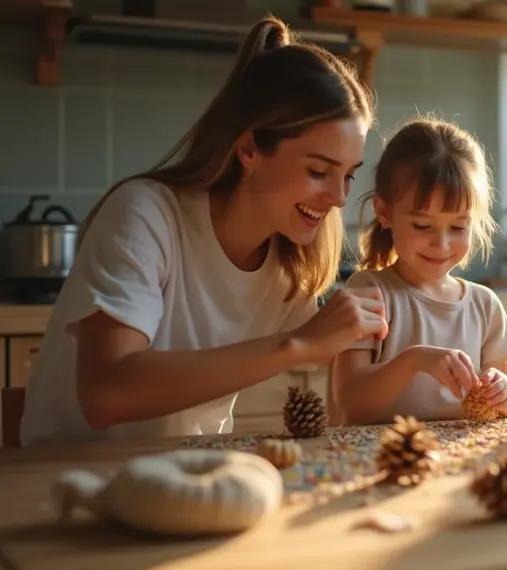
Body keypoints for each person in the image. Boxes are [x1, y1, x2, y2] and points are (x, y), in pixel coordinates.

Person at [19, 16, 388, 446]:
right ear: (249, 149)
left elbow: (349, 370)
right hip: (67, 473)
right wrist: (298, 345)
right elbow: (106, 394)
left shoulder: (289, 262)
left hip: (190, 469)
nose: (339, 198)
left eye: (348, 175)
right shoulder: (145, 214)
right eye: (318, 171)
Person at [331, 117, 507, 425]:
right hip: (380, 453)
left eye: (459, 227)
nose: (442, 243)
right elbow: (351, 405)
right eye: (423, 225)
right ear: (384, 212)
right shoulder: (369, 292)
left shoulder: (484, 305)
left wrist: (505, 395)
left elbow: (506, 408)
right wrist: (413, 361)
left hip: (460, 453)